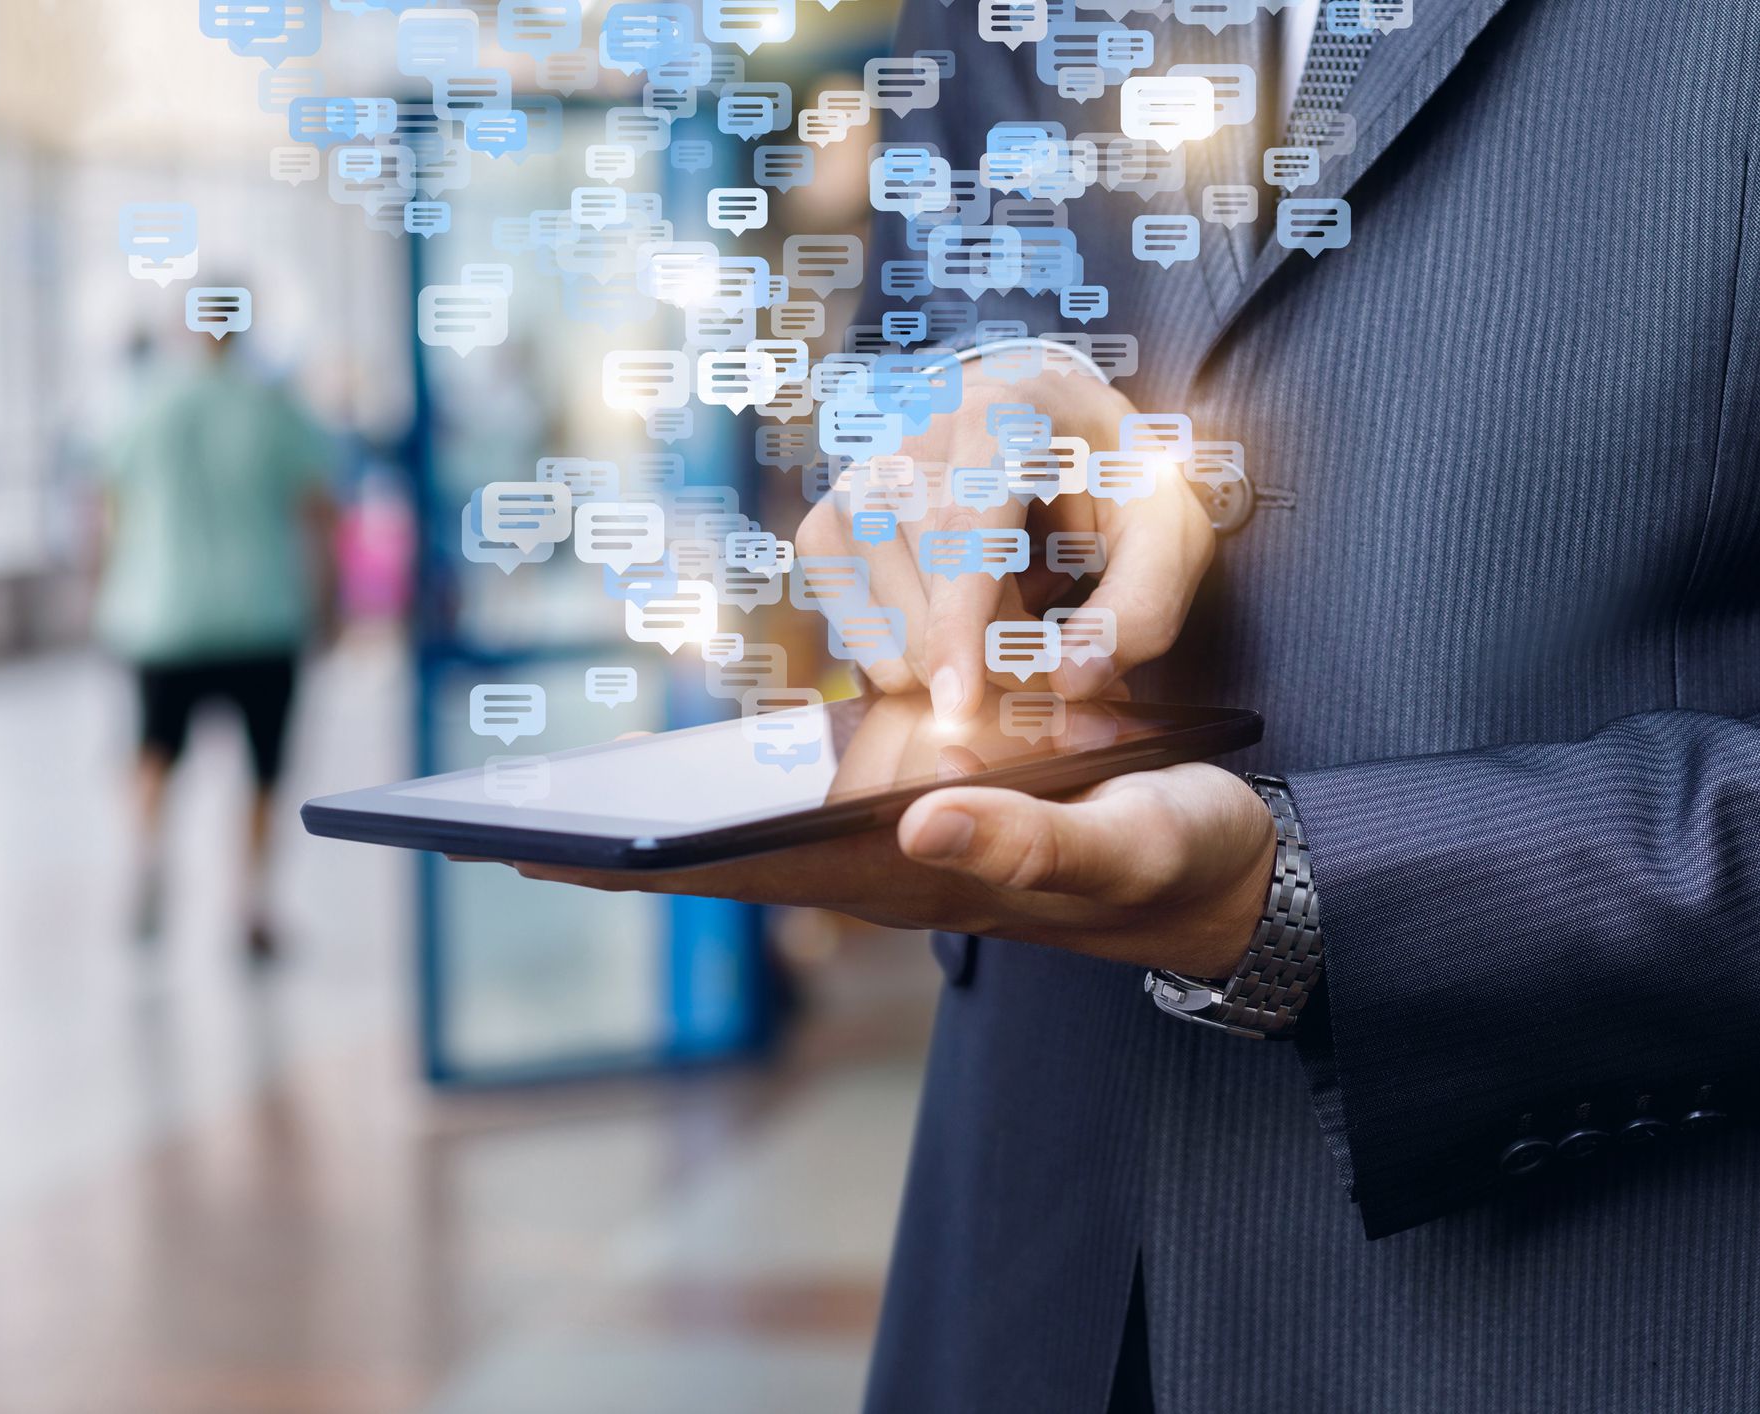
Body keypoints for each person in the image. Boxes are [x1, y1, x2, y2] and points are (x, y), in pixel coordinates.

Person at [490, 4, 1760, 1410]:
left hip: (1605, 1299)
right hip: (1028, 1267)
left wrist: (1308, 900)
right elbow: (926, 323)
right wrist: (965, 424)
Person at [96, 321, 336, 962]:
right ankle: (251, 903)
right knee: (263, 769)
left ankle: (148, 858)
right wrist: (330, 604)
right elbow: (317, 508)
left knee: (153, 751)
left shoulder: (145, 406)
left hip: (164, 612)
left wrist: (110, 592)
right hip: (261, 613)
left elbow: (109, 505)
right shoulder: (273, 407)